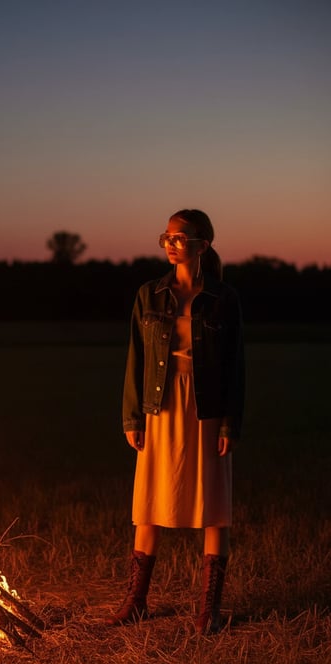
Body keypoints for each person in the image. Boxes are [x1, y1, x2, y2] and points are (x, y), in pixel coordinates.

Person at [107, 209, 245, 634]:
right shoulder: (149, 295)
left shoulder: (223, 298)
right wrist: (133, 416)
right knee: (148, 502)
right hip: (159, 406)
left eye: (180, 238)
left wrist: (229, 423)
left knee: (213, 505)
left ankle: (209, 608)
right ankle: (137, 601)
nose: (170, 244)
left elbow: (235, 364)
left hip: (206, 406)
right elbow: (136, 358)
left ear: (202, 245)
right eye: (166, 237)